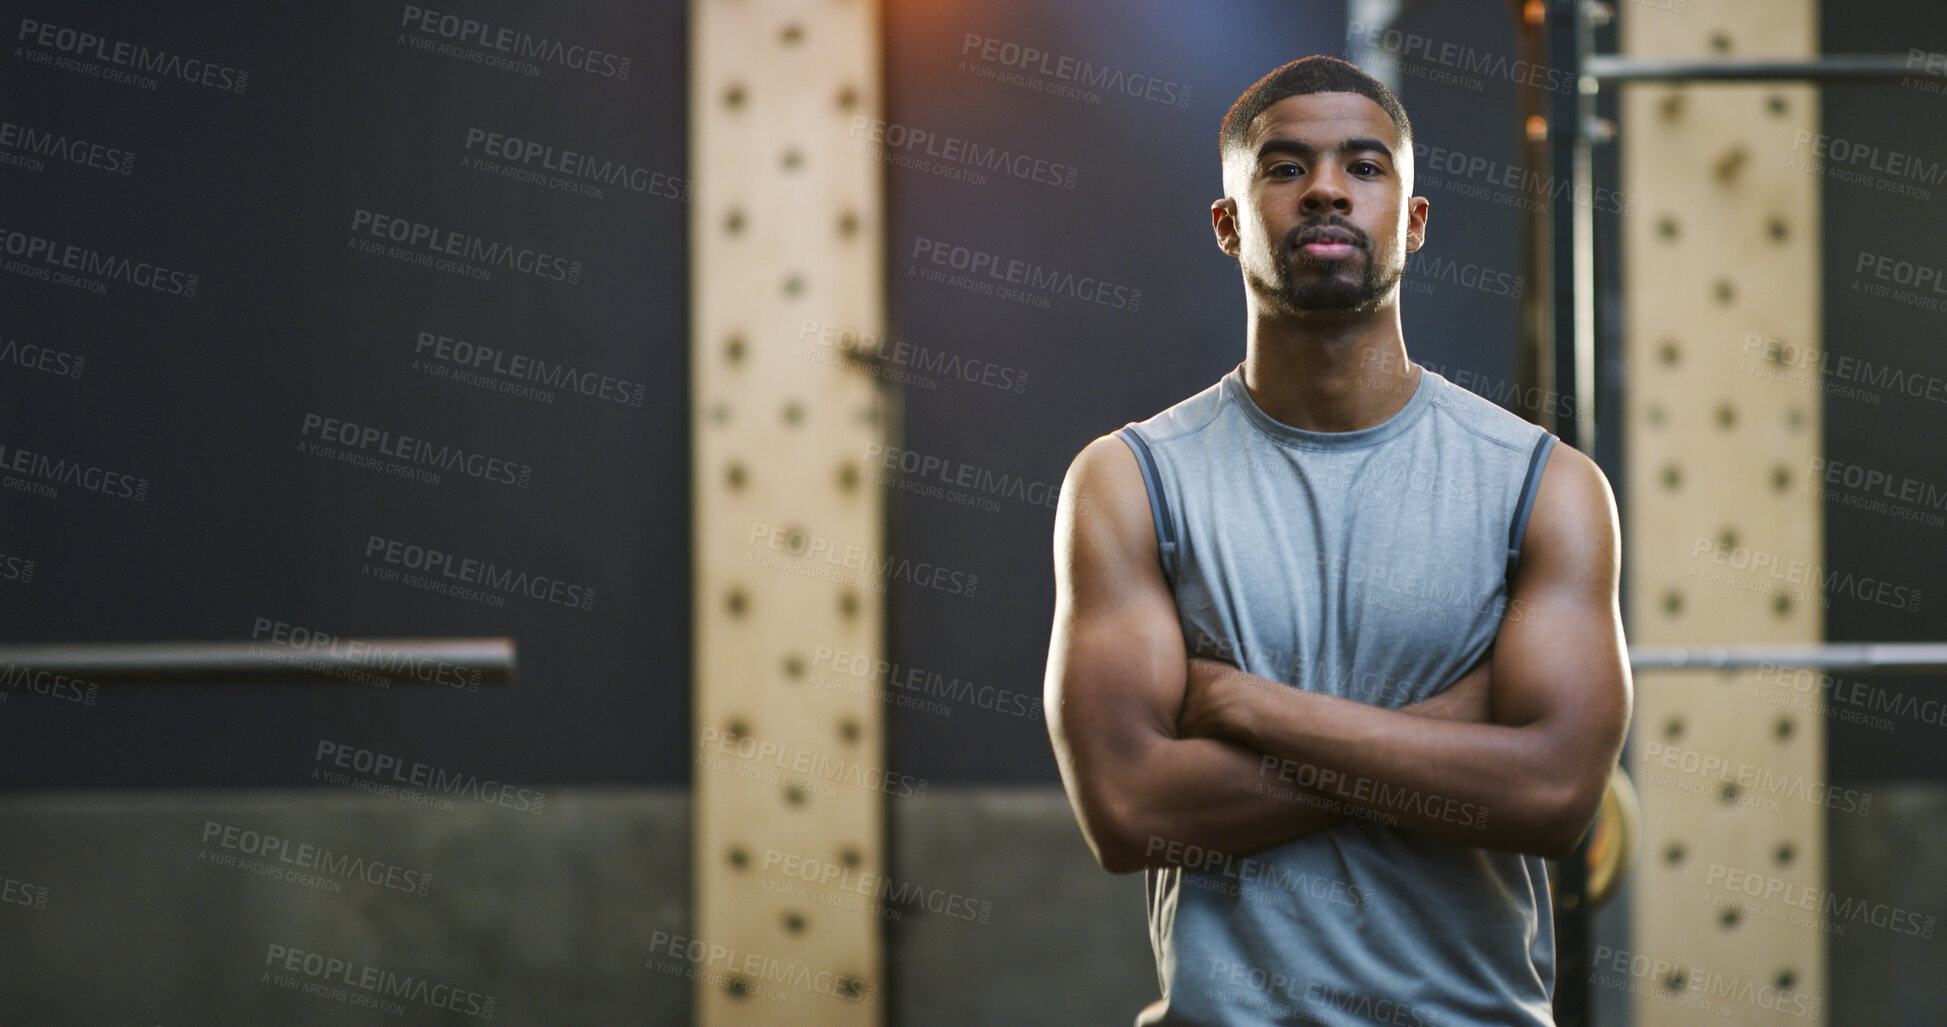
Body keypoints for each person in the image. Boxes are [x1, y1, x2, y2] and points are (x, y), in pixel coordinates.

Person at [1043, 56, 1632, 1027]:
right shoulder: (1128, 481)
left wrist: (1242, 704)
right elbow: (1130, 813)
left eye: (1365, 166)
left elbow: (1559, 796)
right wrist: (1455, 729)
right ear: (1230, 224)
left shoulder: (1547, 486)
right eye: (1283, 168)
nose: (1325, 189)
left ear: (1414, 219)